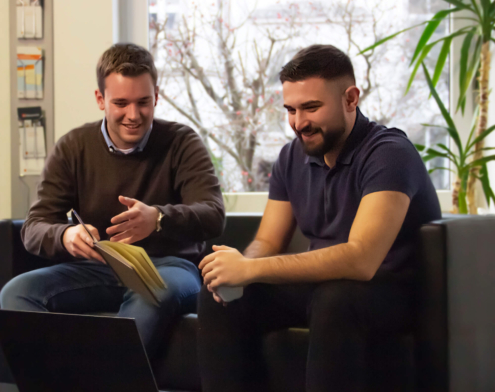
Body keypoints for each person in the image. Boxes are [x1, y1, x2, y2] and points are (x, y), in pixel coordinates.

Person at [196, 44, 441, 392]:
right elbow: (268, 241)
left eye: (311, 107)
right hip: (327, 288)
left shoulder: (389, 154)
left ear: (351, 98)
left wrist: (252, 269)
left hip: (389, 292)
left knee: (335, 300)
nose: (299, 123)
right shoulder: (291, 157)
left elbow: (361, 260)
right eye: (290, 109)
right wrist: (239, 270)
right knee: (221, 296)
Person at [0, 43, 225, 358]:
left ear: (156, 97)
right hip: (96, 268)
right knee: (17, 292)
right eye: (121, 103)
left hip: (169, 268)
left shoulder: (182, 142)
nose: (133, 115)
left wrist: (158, 219)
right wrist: (65, 235)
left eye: (143, 102)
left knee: (150, 294)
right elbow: (34, 226)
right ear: (100, 99)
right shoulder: (73, 147)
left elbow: (213, 214)